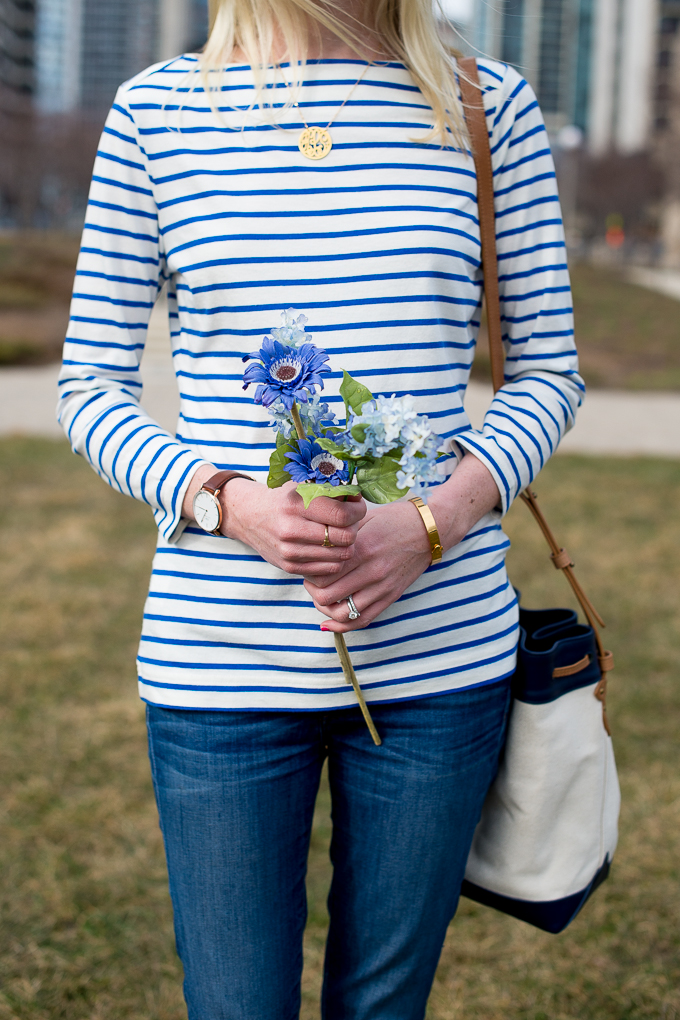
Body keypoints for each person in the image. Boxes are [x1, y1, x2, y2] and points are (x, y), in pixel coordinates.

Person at [57, 1, 583, 1016]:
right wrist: (224, 502)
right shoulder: (157, 114)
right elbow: (89, 390)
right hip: (219, 676)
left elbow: (545, 375)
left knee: (382, 1006)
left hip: (439, 667)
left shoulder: (486, 109)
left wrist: (431, 523)